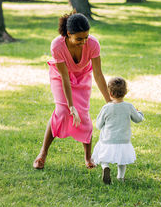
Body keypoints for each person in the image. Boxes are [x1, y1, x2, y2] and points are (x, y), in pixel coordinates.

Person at [33, 12, 111, 170]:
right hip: (61, 78)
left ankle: (88, 157)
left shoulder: (93, 44)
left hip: (82, 77)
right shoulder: (57, 45)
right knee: (61, 112)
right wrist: (71, 106)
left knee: (84, 116)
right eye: (79, 39)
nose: (84, 42)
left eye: (86, 37)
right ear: (68, 34)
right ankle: (42, 154)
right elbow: (64, 78)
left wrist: (109, 102)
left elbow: (98, 74)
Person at [91, 77, 144, 184]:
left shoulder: (106, 108)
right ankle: (120, 177)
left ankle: (105, 167)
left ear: (110, 93)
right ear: (125, 92)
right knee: (122, 160)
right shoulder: (129, 107)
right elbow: (138, 119)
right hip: (123, 141)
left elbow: (98, 125)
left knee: (102, 156)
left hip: (107, 140)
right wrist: (140, 113)